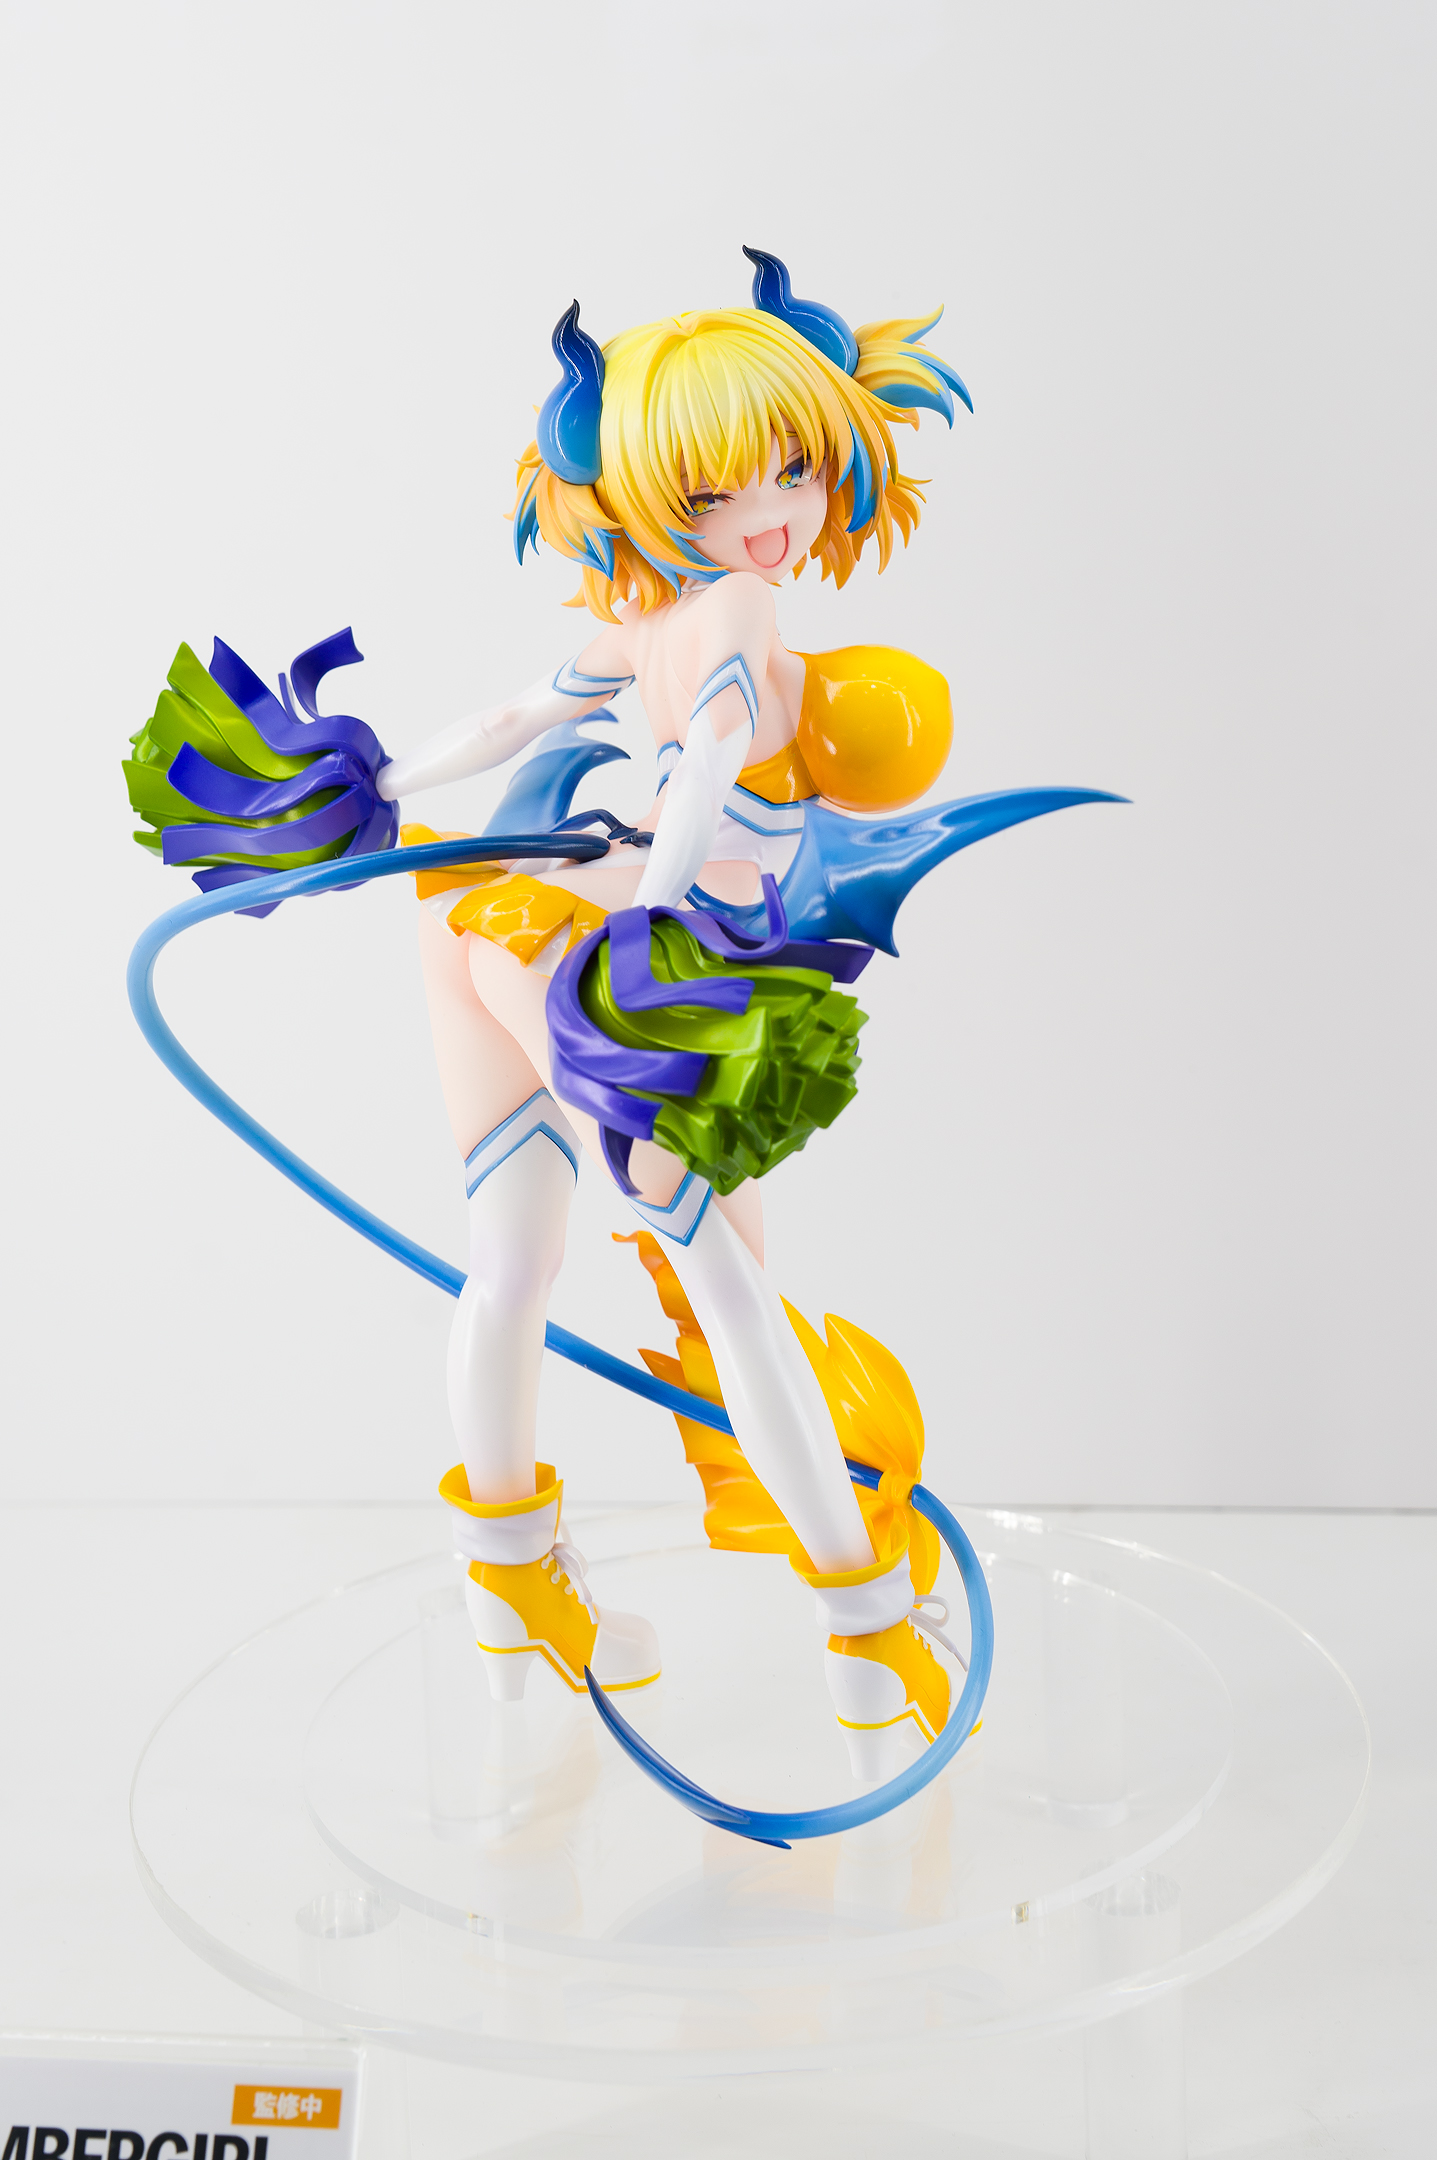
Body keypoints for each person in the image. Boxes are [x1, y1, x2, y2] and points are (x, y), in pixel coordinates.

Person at [375, 249, 981, 1774]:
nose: (767, 512)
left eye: (792, 468)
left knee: (510, 1266)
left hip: (481, 918)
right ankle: (870, 1633)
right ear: (649, 494)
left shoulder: (635, 616)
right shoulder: (740, 610)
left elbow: (512, 718)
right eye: (715, 490)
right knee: (729, 1290)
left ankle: (510, 1586)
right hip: (606, 961)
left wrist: (370, 789)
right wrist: (651, 924)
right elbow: (703, 757)